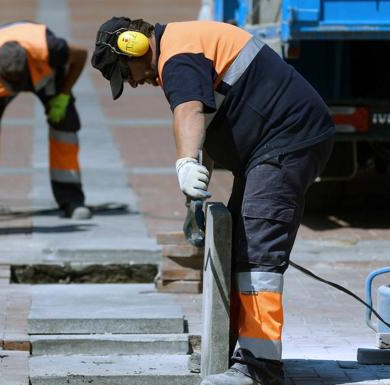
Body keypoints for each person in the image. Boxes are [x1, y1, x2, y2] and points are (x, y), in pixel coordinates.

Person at [91, 17, 335, 385]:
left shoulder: (179, 53)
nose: (134, 81)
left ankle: (260, 368)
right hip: (275, 146)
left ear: (134, 46)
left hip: (287, 141)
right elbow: (203, 124)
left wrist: (185, 165)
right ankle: (232, 351)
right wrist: (194, 198)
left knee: (257, 250)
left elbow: (188, 112)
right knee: (238, 240)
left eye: (126, 72)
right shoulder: (182, 50)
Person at [0, 21, 90, 219]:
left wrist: (64, 94)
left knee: (65, 124)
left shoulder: (51, 48)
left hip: (46, 74)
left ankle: (71, 199)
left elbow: (81, 55)